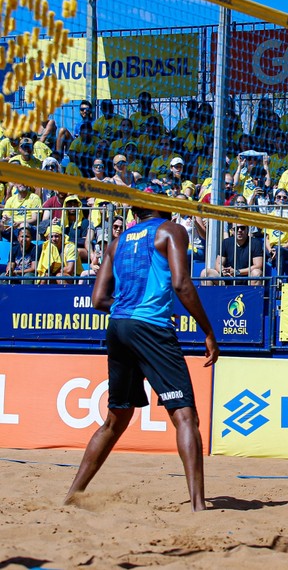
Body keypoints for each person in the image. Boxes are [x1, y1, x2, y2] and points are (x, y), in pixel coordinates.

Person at [64, 184, 219, 512]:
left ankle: (72, 494)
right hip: (151, 326)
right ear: (159, 205)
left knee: (115, 419)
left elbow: (98, 300)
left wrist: (129, 309)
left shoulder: (117, 242)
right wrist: (208, 330)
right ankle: (198, 506)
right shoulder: (171, 231)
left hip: (118, 326)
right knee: (185, 416)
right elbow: (181, 284)